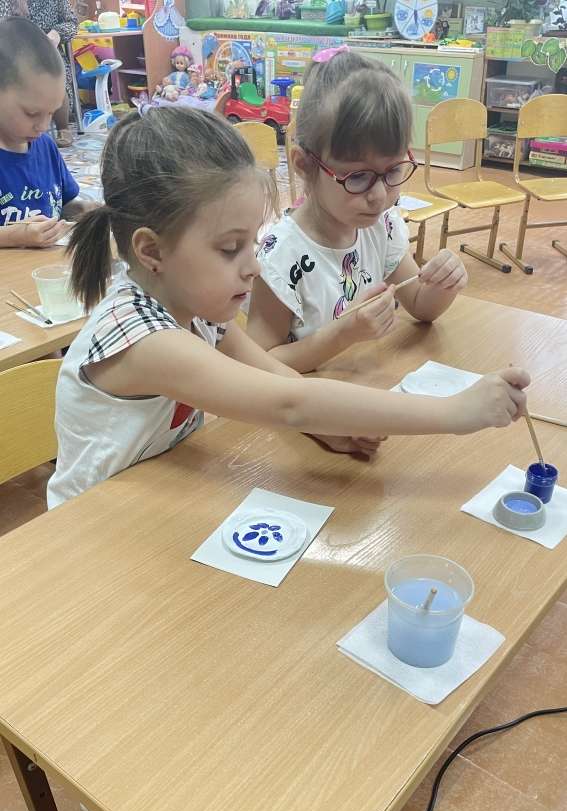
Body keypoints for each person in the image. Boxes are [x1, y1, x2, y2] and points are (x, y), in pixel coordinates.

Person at [47, 105, 529, 508]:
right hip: (87, 533)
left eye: (251, 243)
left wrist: (328, 427)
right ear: (152, 251)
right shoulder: (145, 340)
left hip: (154, 498)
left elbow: (283, 382)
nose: (253, 266)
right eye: (230, 248)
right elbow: (291, 405)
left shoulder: (196, 311)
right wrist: (454, 412)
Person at [247, 48, 468, 374]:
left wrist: (444, 283)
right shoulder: (280, 257)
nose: (378, 196)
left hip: (365, 386)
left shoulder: (381, 227)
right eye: (358, 177)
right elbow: (259, 366)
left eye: (393, 171)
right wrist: (344, 334)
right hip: (307, 401)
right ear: (304, 165)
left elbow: (421, 306)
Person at [0, 17, 90, 248]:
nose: (43, 126)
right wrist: (14, 236)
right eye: (32, 113)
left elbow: (63, 206)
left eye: (51, 112)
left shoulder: (46, 146)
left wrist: (89, 212)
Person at [0, 0, 79, 147]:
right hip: (14, 58)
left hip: (49, 56)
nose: (43, 126)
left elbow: (72, 23)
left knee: (52, 83)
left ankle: (63, 128)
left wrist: (56, 33)